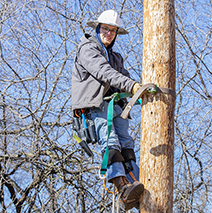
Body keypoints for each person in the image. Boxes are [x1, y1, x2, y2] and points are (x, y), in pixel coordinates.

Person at [71, 10, 144, 210]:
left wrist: (141, 91)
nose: (109, 33)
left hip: (115, 105)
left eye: (113, 30)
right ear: (97, 28)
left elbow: (123, 78)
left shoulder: (116, 57)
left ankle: (135, 183)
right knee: (110, 140)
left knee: (126, 142)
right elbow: (103, 72)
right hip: (95, 105)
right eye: (105, 29)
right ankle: (121, 187)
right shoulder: (88, 48)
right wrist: (132, 87)